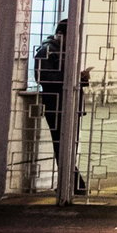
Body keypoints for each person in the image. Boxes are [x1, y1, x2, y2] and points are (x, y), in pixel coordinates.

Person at [35, 18, 89, 195]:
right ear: (60, 34)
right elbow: (44, 78)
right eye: (71, 36)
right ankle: (74, 184)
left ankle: (72, 184)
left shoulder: (65, 52)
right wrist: (72, 80)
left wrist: (81, 79)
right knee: (62, 145)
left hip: (70, 105)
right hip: (57, 105)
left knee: (68, 146)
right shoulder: (47, 51)